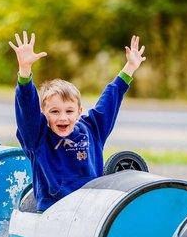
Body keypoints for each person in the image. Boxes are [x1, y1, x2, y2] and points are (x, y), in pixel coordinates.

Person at [9, 31, 146, 212]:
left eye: (69, 111)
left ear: (79, 112)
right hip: (53, 210)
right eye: (55, 112)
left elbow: (110, 99)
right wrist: (25, 72)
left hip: (90, 210)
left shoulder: (92, 128)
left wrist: (129, 67)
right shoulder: (38, 136)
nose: (63, 117)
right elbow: (27, 109)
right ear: (43, 113)